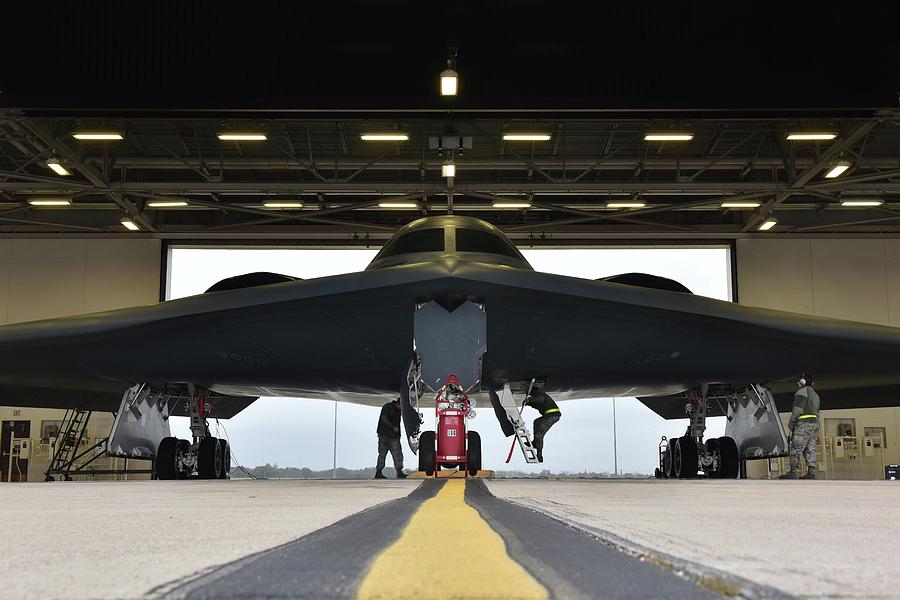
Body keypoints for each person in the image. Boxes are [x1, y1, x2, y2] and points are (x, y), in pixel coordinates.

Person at [780, 372, 820, 480]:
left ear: (802, 382)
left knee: (796, 448)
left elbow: (798, 410)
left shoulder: (801, 392)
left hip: (803, 424)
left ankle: (793, 472)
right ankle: (811, 472)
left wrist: (791, 423)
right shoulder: (816, 395)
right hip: (815, 424)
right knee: (810, 448)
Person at [524, 389, 561, 462]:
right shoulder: (539, 395)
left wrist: (529, 399)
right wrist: (529, 403)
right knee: (536, 422)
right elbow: (538, 404)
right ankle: (535, 443)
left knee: (539, 435)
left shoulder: (539, 393)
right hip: (549, 415)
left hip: (552, 415)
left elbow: (540, 400)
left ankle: (539, 456)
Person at [375, 398, 406, 479]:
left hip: (394, 436)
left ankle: (399, 472)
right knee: (382, 454)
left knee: (398, 454)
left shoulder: (397, 410)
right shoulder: (388, 407)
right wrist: (392, 427)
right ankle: (378, 472)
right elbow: (384, 418)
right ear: (398, 404)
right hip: (384, 435)